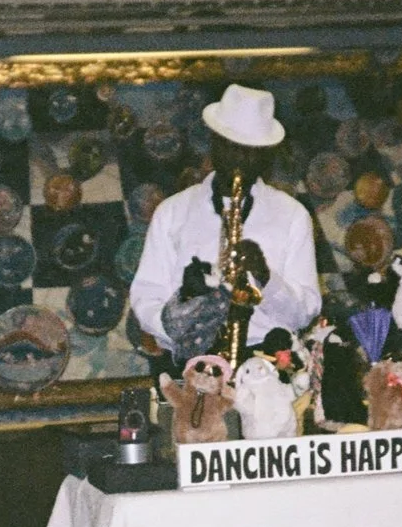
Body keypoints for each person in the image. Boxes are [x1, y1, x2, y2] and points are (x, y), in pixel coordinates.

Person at [128, 84, 320, 360]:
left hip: (264, 363)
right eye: (231, 147)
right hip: (192, 360)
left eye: (251, 150)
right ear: (214, 144)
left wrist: (266, 278)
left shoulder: (293, 216)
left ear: (266, 155)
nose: (240, 159)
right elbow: (146, 299)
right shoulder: (172, 212)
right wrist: (186, 311)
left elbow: (305, 314)